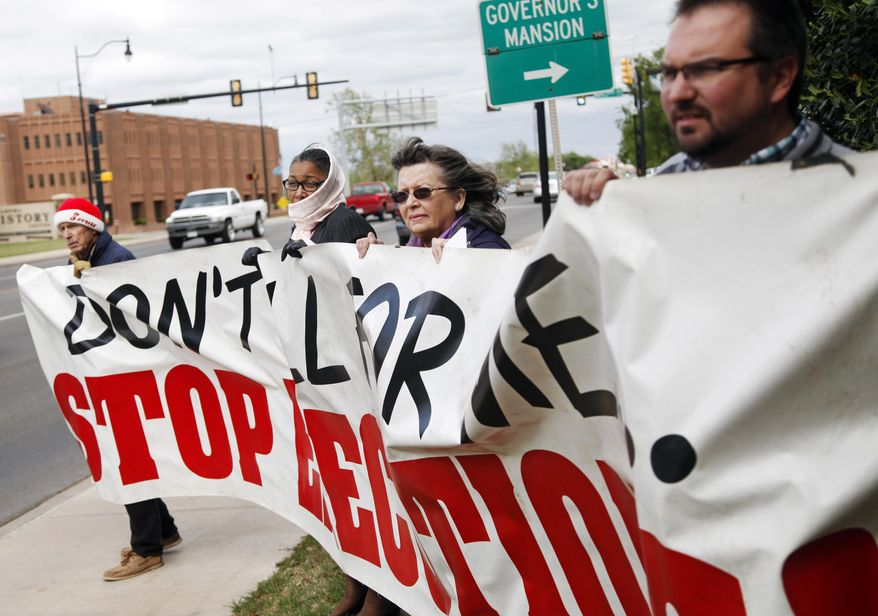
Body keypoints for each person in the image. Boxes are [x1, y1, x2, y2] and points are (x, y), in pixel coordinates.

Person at [564, 0, 853, 205]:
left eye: (705, 69)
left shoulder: (859, 198)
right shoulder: (661, 191)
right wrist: (618, 209)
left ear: (779, 77)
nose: (677, 93)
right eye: (668, 73)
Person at [53, 197, 183, 581]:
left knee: (127, 460)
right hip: (109, 375)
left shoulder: (116, 260)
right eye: (62, 229)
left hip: (127, 377)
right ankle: (165, 531)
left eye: (72, 227)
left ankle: (148, 550)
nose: (67, 235)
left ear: (91, 226)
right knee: (128, 456)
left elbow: (131, 321)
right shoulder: (85, 262)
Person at [357, 136, 510, 262]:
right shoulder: (412, 251)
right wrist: (373, 262)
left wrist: (462, 260)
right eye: (402, 195)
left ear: (458, 199)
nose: (410, 203)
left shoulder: (488, 250)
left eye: (423, 192)